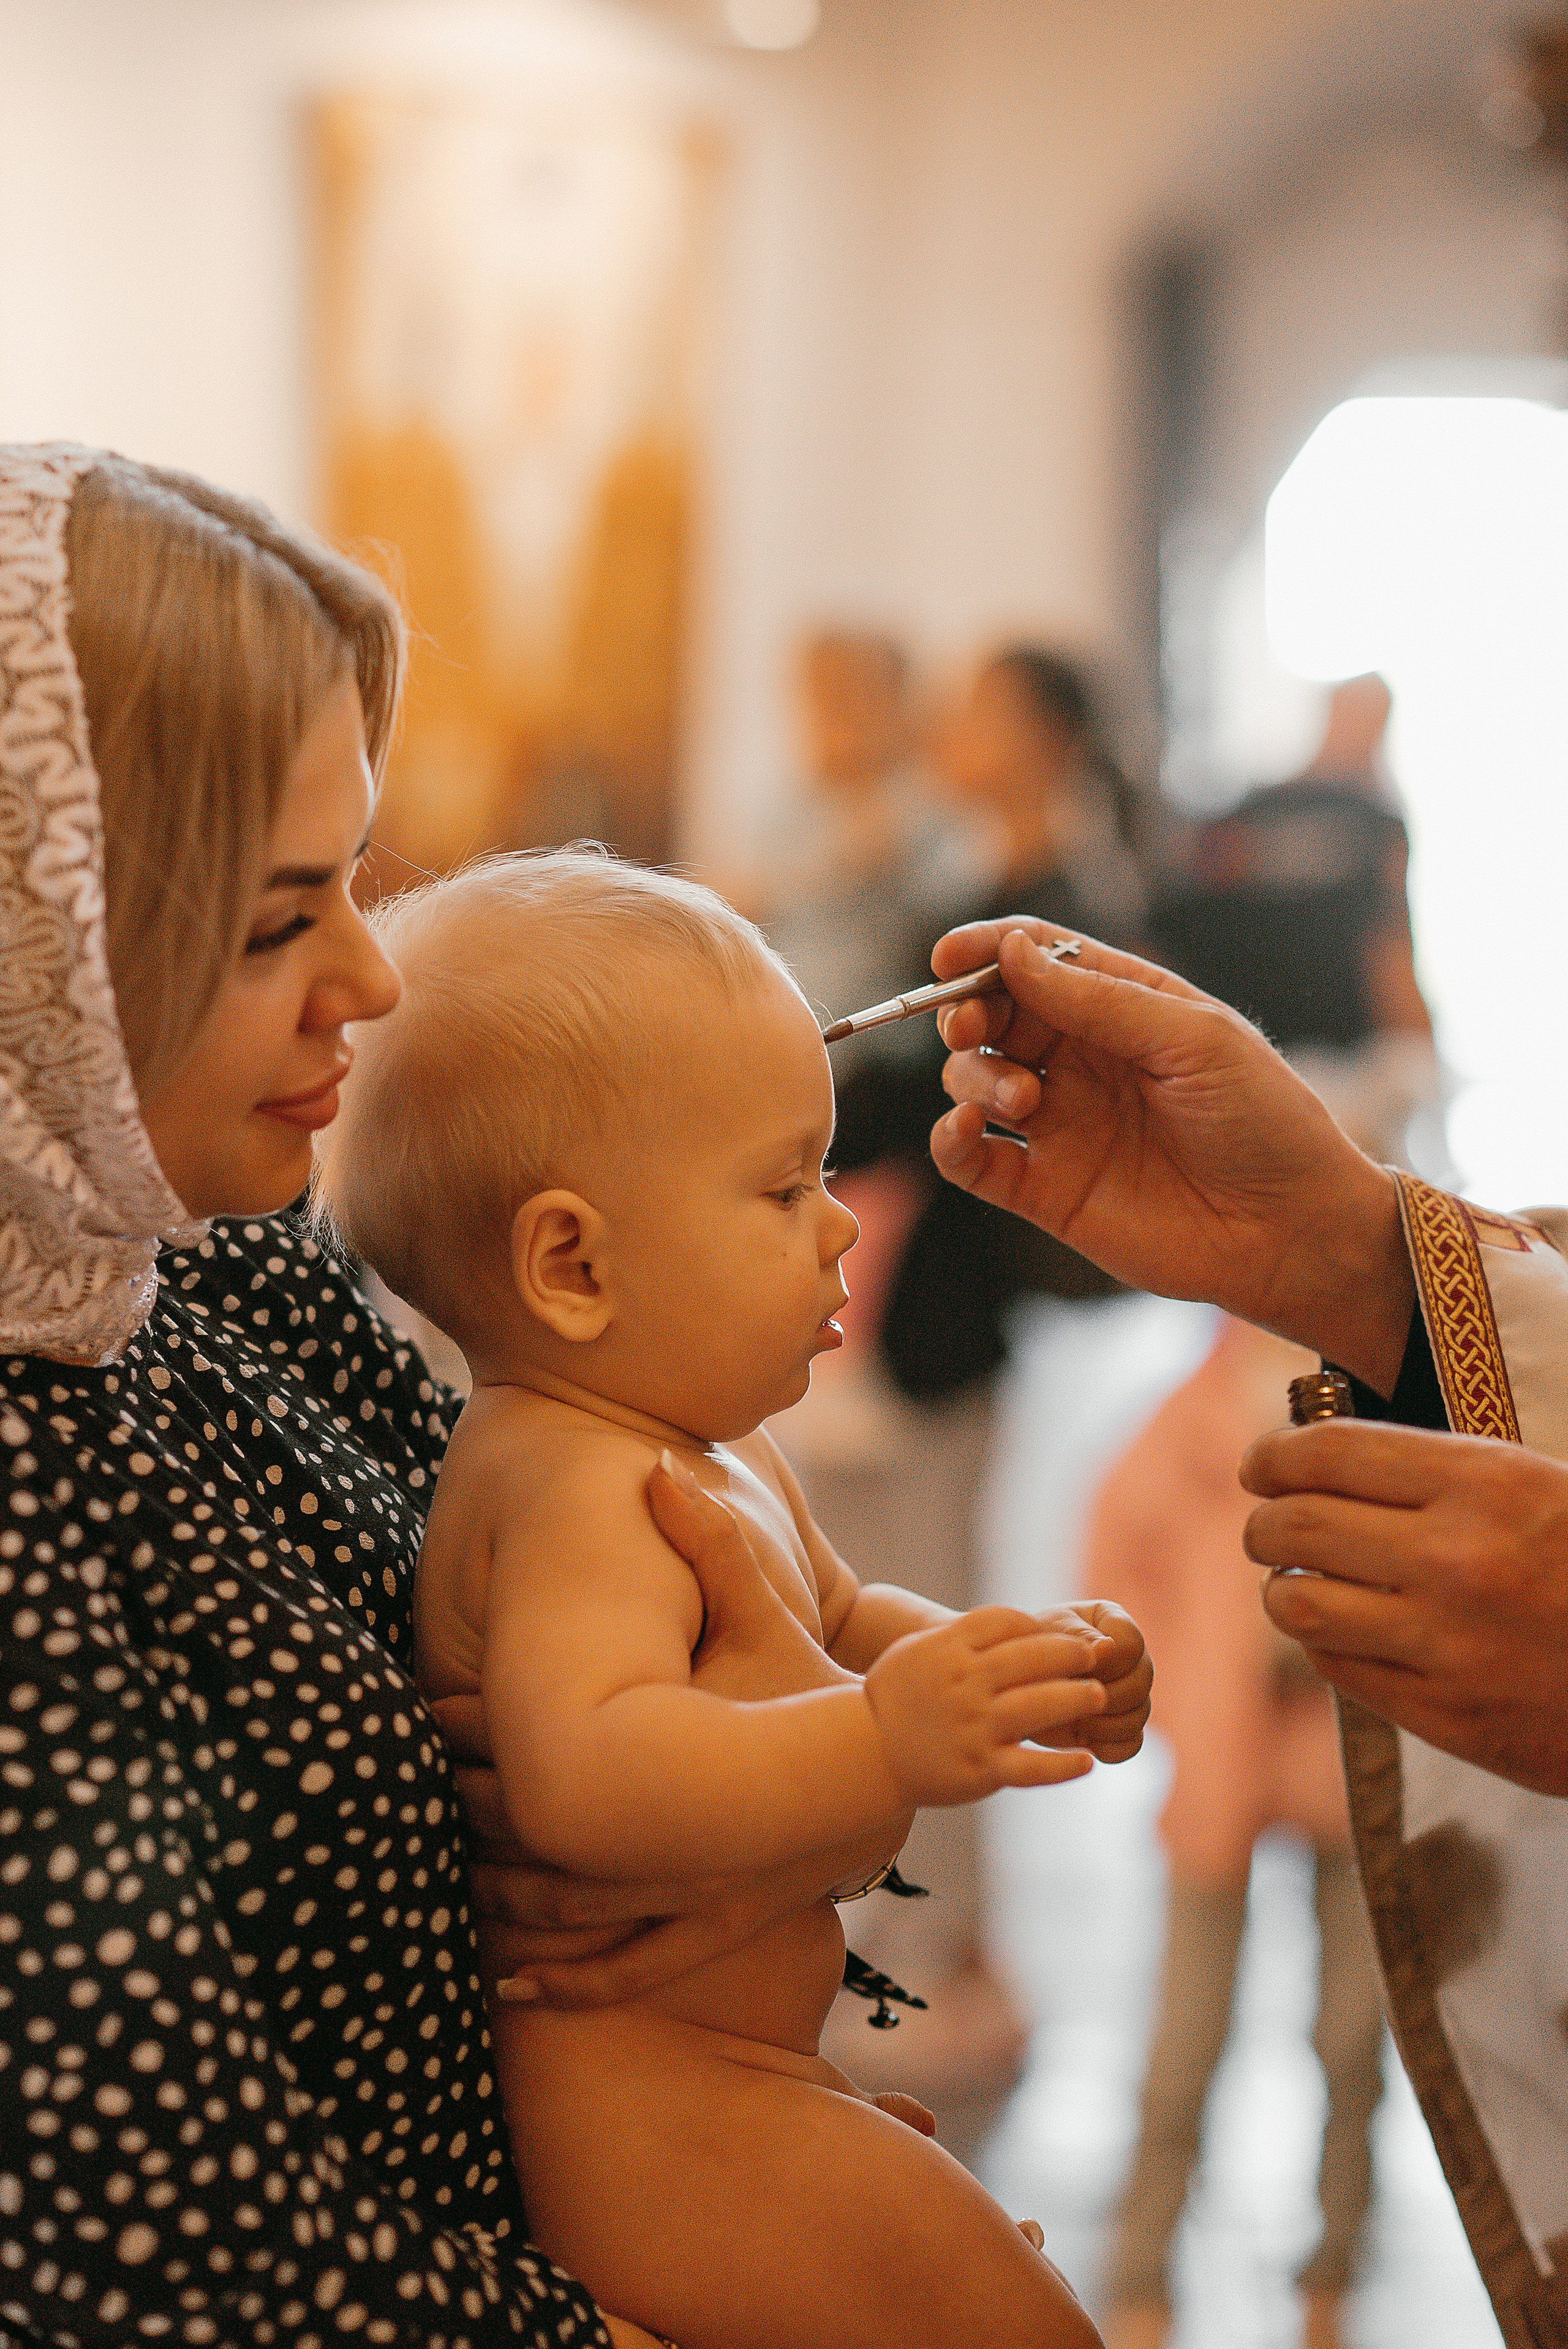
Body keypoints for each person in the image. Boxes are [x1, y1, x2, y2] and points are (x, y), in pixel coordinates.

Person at [0, 439, 902, 2349]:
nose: (370, 983)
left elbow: (640, 1645)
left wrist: (784, 1800)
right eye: (274, 922)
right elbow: (155, 2235)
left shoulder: (204, 1258)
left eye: (354, 883)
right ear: (41, 950)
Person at [312, 848, 1156, 2349]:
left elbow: (838, 1620)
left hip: (737, 2071)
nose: (837, 1225)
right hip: (642, 2119)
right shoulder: (565, 1482)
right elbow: (592, 1769)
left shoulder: (701, 1442)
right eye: (781, 1187)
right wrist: (883, 1744)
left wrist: (999, 1663)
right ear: (572, 1262)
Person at [925, 913, 1568, 2349]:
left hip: (1349, 1769)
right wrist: (1349, 1246)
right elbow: (1124, 1533)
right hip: (1232, 1762)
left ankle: (1326, 2281)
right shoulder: (1208, 1389)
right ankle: (1147, 2277)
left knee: (1349, 2041)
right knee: (1184, 2038)